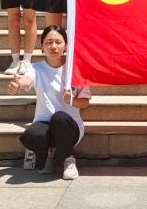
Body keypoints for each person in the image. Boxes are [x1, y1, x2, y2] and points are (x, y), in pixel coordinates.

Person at [7, 25, 91, 180]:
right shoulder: (36, 68)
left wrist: (72, 100)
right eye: (48, 42)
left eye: (58, 42)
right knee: (31, 135)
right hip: (45, 123)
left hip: (69, 126)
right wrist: (18, 84)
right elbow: (27, 80)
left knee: (59, 118)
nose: (53, 47)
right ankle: (47, 155)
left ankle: (68, 160)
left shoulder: (75, 69)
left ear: (65, 46)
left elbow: (85, 103)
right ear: (42, 47)